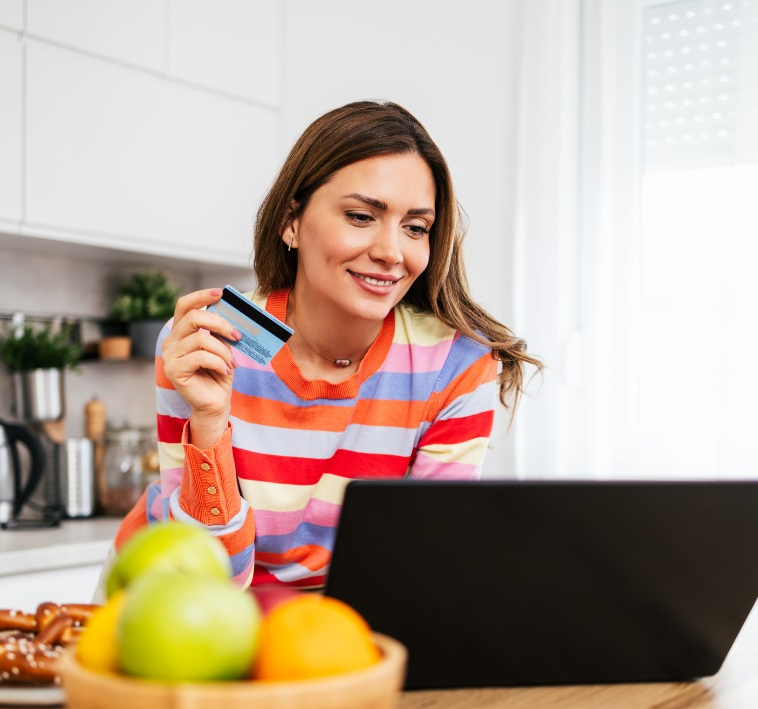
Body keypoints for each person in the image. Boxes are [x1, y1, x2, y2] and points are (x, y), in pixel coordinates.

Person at [105, 100, 541, 592]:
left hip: (328, 630)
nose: (392, 252)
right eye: (360, 216)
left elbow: (427, 572)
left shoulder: (454, 367)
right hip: (175, 600)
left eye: (416, 227)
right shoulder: (212, 340)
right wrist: (208, 425)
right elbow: (203, 586)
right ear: (292, 221)